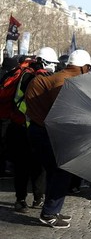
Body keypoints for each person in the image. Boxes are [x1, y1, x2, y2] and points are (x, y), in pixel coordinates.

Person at [25, 49, 91, 228]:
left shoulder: (56, 79)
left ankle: (52, 210)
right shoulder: (67, 83)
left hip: (39, 132)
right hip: (51, 135)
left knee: (55, 173)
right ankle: (49, 213)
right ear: (84, 67)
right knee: (62, 172)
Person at [9, 48, 58, 213]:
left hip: (33, 126)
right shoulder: (28, 77)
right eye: (51, 63)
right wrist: (33, 115)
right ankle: (21, 199)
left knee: (38, 165)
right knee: (24, 165)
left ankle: (38, 197)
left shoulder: (45, 77)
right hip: (23, 126)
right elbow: (18, 101)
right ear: (42, 61)